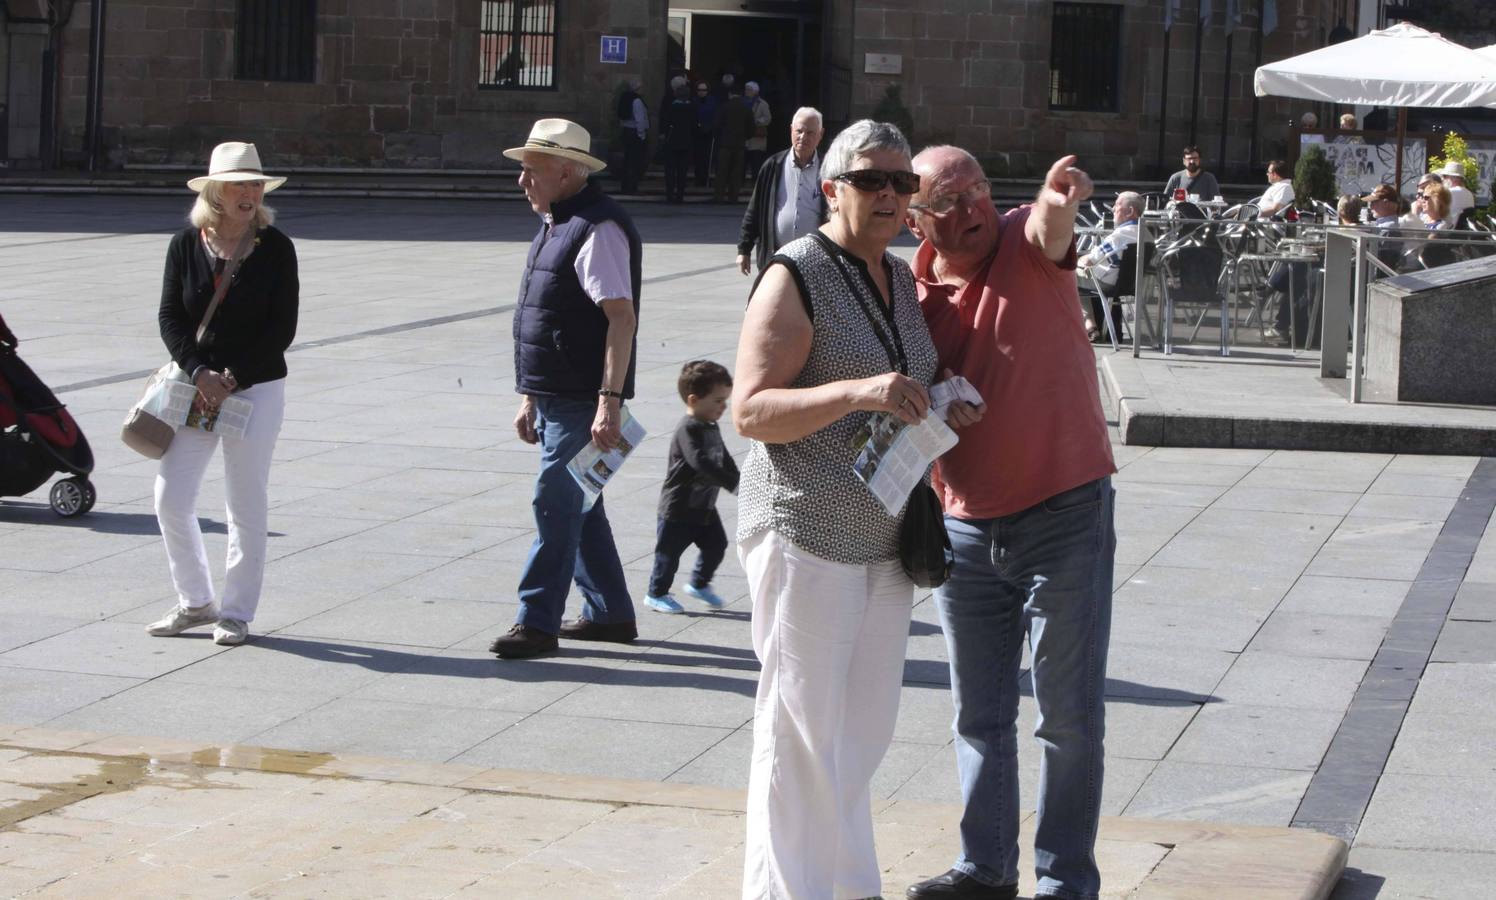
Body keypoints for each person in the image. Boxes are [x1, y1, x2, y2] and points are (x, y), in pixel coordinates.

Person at [732, 119, 941, 899]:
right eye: (871, 181)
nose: (890, 195)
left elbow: (908, 374)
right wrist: (857, 391)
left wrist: (945, 400)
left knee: (860, 734)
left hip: (886, 533)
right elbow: (750, 412)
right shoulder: (796, 273)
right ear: (832, 188)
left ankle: (849, 886)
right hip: (805, 527)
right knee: (799, 735)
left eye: (902, 182)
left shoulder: (899, 275)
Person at [903, 145, 1116, 900]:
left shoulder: (1026, 242)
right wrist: (933, 402)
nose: (972, 209)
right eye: (949, 200)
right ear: (915, 216)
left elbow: (1049, 228)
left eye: (979, 190)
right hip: (963, 525)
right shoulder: (911, 294)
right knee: (979, 715)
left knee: (1067, 716)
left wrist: (1060, 196)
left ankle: (1064, 880)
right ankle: (985, 868)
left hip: (1064, 509)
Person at [490, 119, 641, 660]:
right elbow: (546, 314)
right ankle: (610, 613)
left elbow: (619, 320)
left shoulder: (597, 229)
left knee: (555, 503)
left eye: (532, 170)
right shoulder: (559, 221)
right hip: (556, 392)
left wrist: (610, 401)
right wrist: (530, 396)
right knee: (581, 502)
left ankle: (536, 621)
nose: (522, 181)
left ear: (567, 171)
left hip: (584, 396)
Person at [144, 141, 298, 647]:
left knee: (245, 500)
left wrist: (230, 378)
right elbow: (171, 317)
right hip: (196, 387)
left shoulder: (275, 247)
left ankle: (234, 612)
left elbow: (281, 328)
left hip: (254, 388)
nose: (249, 193)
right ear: (214, 192)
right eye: (238, 184)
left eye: (255, 184)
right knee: (171, 497)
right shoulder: (185, 244)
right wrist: (199, 371)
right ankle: (195, 601)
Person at [643, 360, 739, 614]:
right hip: (678, 508)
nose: (723, 407)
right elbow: (700, 461)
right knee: (668, 554)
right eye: (718, 401)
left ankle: (699, 583)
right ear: (694, 400)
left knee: (717, 545)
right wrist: (730, 483)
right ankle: (656, 593)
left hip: (704, 506)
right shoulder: (688, 429)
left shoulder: (710, 425)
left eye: (725, 400)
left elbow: (722, 456)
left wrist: (739, 479)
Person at [735, 107, 827, 274]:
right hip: (776, 258)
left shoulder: (829, 169)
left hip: (818, 261)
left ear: (820, 134)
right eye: (799, 131)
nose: (803, 137)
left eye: (810, 133)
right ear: (791, 130)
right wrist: (744, 250)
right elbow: (754, 210)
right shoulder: (773, 166)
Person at [1076, 191, 1141, 342]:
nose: (1113, 209)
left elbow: (1089, 260)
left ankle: (1089, 325)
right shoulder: (1146, 234)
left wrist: (1080, 261)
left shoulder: (1119, 236)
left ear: (1130, 211)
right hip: (1131, 285)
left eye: (1117, 205)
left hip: (1109, 284)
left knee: (1067, 275)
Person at [714, 82, 754, 204]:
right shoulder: (746, 108)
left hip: (725, 144)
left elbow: (717, 125)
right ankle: (733, 197)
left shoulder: (724, 107)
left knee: (722, 172)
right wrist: (745, 137)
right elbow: (751, 128)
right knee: (736, 173)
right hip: (740, 144)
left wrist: (718, 137)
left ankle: (719, 196)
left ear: (730, 94)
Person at [662, 78, 697, 204]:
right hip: (686, 143)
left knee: (670, 171)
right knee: (682, 172)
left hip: (672, 143)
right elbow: (694, 126)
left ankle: (670, 195)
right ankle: (680, 196)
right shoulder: (692, 108)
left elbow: (665, 124)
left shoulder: (671, 108)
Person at [617, 78, 649, 194]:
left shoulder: (625, 98)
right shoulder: (637, 101)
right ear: (637, 89)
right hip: (635, 133)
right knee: (634, 162)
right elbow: (640, 119)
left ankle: (625, 186)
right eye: (641, 88)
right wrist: (642, 135)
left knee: (627, 161)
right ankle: (632, 187)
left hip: (626, 131)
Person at [743, 81, 773, 180]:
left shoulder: (762, 104)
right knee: (742, 163)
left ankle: (755, 185)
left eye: (749, 89)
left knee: (756, 164)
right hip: (744, 138)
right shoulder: (742, 102)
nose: (747, 91)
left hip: (757, 140)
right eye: (746, 89)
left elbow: (767, 118)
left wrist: (756, 121)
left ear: (755, 91)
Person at [693, 81, 718, 187]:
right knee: (698, 157)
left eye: (704, 90)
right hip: (697, 133)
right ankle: (698, 179)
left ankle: (705, 178)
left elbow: (715, 116)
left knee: (707, 157)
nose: (702, 92)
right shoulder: (694, 101)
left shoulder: (713, 101)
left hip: (709, 132)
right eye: (699, 90)